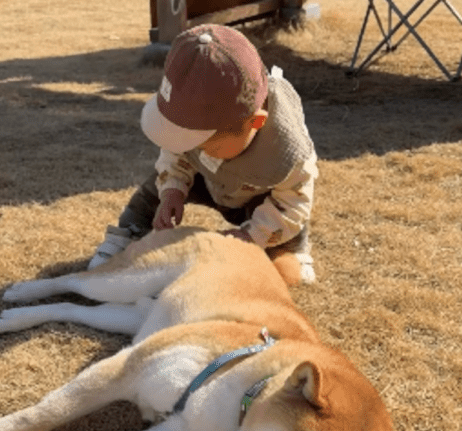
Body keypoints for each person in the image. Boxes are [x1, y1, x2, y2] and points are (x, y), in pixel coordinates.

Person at [89, 23, 318, 282]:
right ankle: (130, 233)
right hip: (206, 177)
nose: (192, 146)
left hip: (256, 193)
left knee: (286, 216)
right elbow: (176, 149)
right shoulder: (191, 133)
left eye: (202, 141)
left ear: (256, 122)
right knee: (152, 190)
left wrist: (252, 235)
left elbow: (293, 203)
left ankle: (293, 251)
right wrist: (173, 189)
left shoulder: (287, 151)